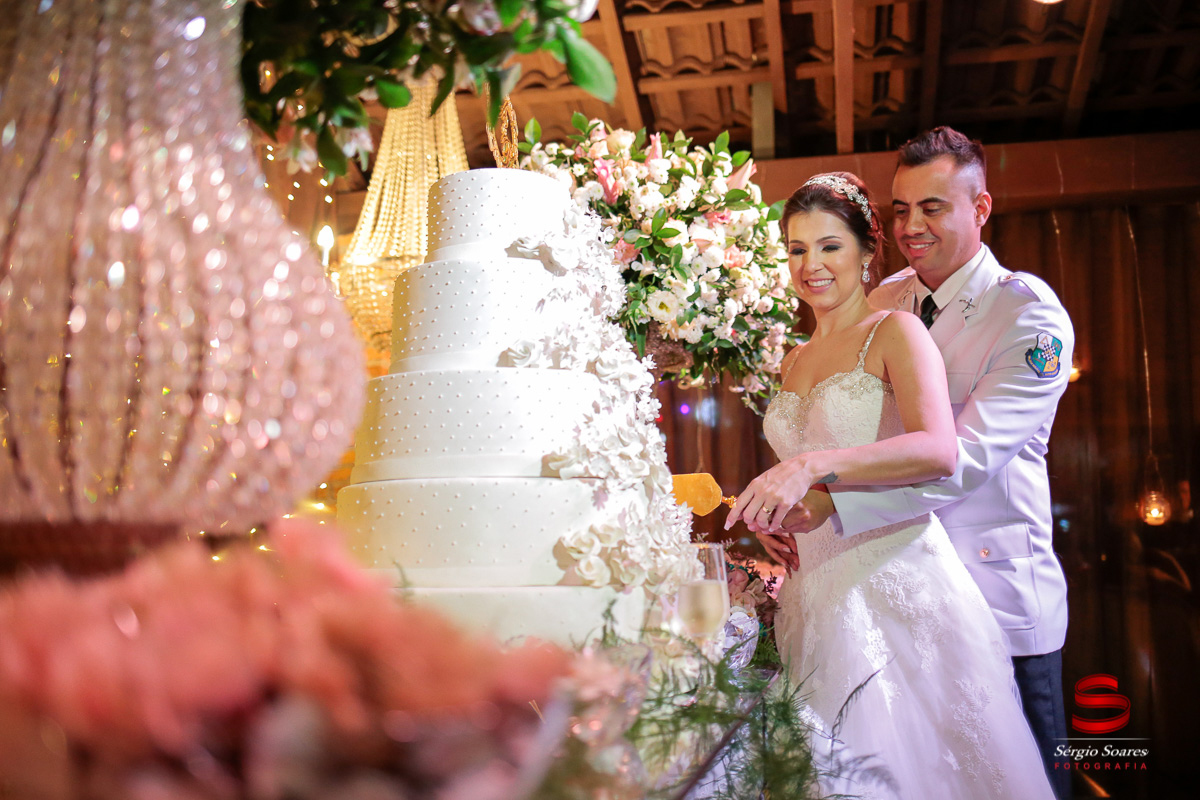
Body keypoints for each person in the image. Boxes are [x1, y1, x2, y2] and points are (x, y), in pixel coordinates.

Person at [747, 128, 1074, 799]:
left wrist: (824, 498)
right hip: (849, 588)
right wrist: (791, 516)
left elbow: (961, 460)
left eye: (932, 207)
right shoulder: (883, 299)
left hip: (986, 586)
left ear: (980, 208)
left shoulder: (1025, 315)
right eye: (900, 209)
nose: (911, 226)